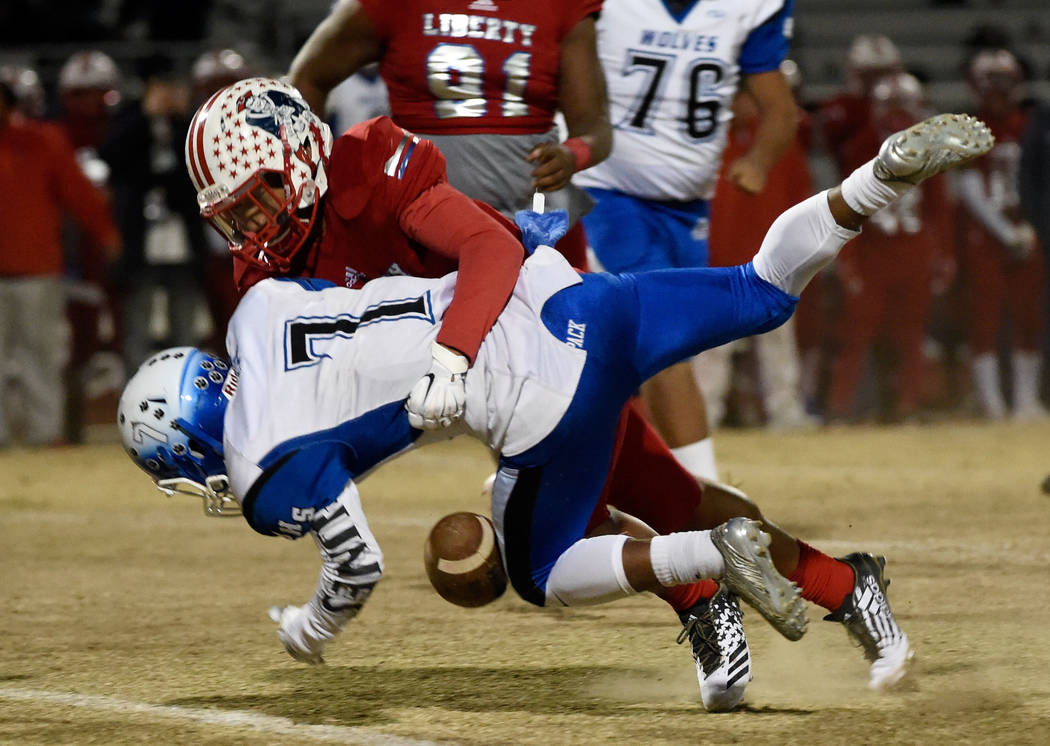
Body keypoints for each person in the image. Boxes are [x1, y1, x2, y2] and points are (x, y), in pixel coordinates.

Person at [143, 84, 988, 688]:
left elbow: (488, 250)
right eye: (232, 219)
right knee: (755, 303)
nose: (251, 232)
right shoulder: (271, 278)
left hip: (524, 344)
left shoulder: (371, 172)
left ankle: (707, 592)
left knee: (566, 551)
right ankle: (872, 181)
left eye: (257, 206)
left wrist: (449, 356)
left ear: (302, 159)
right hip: (572, 319)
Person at [575, 0, 800, 482]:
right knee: (663, 336)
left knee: (644, 354)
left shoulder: (747, 7)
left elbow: (780, 111)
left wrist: (758, 162)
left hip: (688, 208)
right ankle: (702, 492)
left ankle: (612, 473)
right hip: (608, 193)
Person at [287, 0, 611, 269]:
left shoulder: (562, 5)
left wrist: (572, 155)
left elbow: (594, 127)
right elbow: (307, 80)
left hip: (534, 221)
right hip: (418, 227)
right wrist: (315, 180)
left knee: (567, 338)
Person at [824, 73, 953, 424]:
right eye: (891, 108)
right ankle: (842, 407)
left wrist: (944, 255)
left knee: (911, 333)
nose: (897, 116)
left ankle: (907, 405)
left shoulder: (932, 148)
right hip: (872, 250)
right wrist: (847, 258)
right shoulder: (861, 146)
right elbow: (846, 208)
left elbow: (938, 208)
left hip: (913, 249)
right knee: (857, 333)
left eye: (903, 108)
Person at [695, 62, 816, 431]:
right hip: (719, 262)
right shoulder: (708, 140)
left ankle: (785, 412)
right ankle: (706, 417)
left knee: (778, 343)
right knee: (711, 348)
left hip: (772, 262)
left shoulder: (783, 142)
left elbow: (801, 198)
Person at [0, 76, 120, 447]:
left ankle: (45, 432)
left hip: (35, 269)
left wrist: (106, 233)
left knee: (41, 357)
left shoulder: (41, 140)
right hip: (24, 269)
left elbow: (78, 192)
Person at [101, 55, 209, 372]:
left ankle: (185, 389)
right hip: (140, 237)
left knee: (186, 324)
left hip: (183, 235)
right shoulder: (129, 116)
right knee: (138, 324)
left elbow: (197, 168)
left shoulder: (190, 123)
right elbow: (111, 157)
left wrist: (179, 121)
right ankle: (137, 389)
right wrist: (146, 117)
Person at [956, 49, 1045, 420]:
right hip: (986, 233)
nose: (997, 90)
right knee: (985, 315)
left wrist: (1033, 225)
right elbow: (969, 188)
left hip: (1028, 227)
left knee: (1030, 316)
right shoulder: (966, 126)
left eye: (1004, 81)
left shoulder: (1033, 123)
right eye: (990, 82)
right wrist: (1007, 233)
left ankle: (1025, 401)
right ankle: (991, 402)